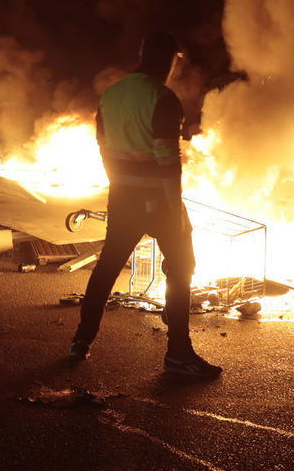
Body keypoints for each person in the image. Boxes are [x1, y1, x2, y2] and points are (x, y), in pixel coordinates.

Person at [70, 31, 222, 379]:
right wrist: (171, 207)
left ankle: (81, 339)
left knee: (108, 266)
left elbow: (102, 145)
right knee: (182, 267)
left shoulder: (112, 95)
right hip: (158, 199)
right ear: (169, 61)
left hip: (123, 196)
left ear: (142, 54)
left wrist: (120, 184)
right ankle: (178, 352)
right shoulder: (162, 98)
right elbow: (169, 161)